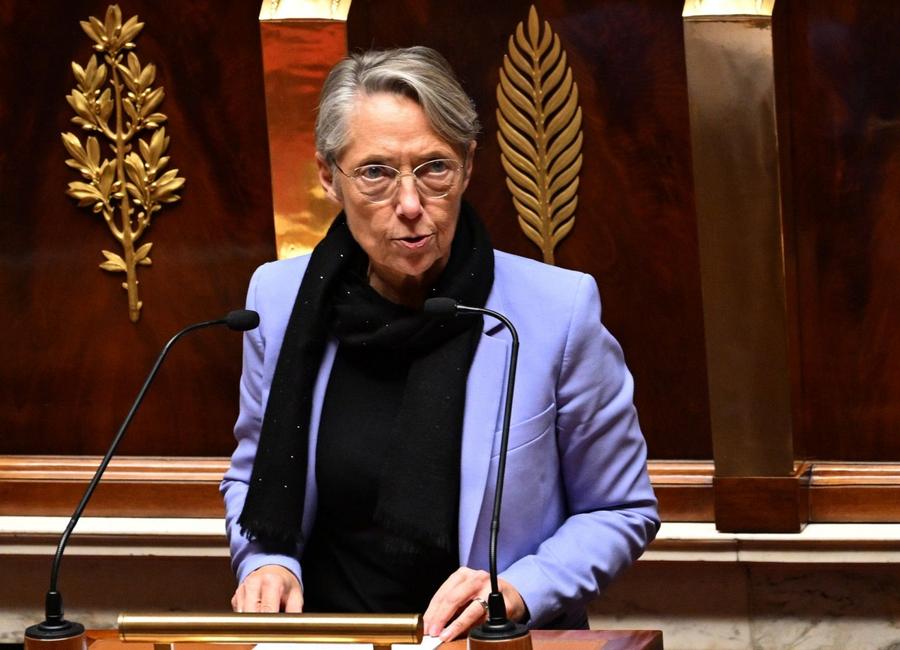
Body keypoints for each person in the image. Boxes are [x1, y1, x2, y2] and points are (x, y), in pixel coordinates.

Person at [220, 46, 658, 639]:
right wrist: (267, 559)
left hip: (492, 642)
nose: (409, 205)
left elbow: (620, 509)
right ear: (328, 176)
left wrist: (520, 587)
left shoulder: (556, 311)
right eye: (375, 172)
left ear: (468, 166)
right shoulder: (278, 300)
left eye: (434, 168)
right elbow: (253, 477)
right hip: (332, 637)